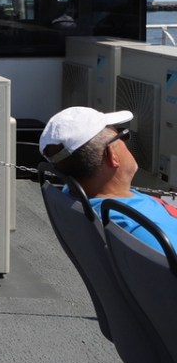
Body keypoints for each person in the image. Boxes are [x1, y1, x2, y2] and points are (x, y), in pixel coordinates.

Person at [40, 106, 177, 253]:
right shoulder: (144, 234)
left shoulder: (72, 196)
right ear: (112, 155)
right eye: (123, 135)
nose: (126, 142)